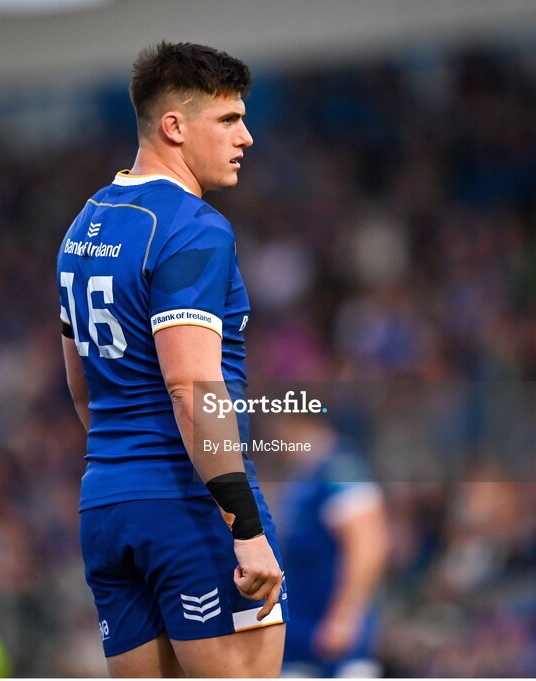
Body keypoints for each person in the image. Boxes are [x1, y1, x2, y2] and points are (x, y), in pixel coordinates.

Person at [55, 42, 287, 677]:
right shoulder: (192, 226)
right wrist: (243, 523)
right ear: (174, 126)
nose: (247, 136)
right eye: (229, 120)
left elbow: (82, 390)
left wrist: (129, 471)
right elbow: (190, 386)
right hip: (189, 505)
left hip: (105, 506)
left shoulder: (83, 227)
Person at [273, 415, 389, 677]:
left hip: (333, 638)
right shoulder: (305, 471)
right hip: (303, 631)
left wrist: (345, 615)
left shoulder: (339, 469)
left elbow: (369, 543)